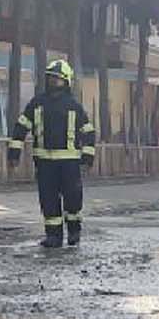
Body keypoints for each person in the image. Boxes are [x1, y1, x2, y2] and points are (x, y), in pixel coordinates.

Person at [8, 59, 96, 248]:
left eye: (57, 79)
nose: (53, 82)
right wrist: (14, 152)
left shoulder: (74, 106)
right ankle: (53, 236)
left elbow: (88, 132)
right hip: (45, 163)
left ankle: (74, 231)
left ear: (67, 81)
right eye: (51, 78)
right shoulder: (37, 104)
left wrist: (88, 157)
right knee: (48, 201)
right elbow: (21, 127)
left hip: (70, 164)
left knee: (73, 200)